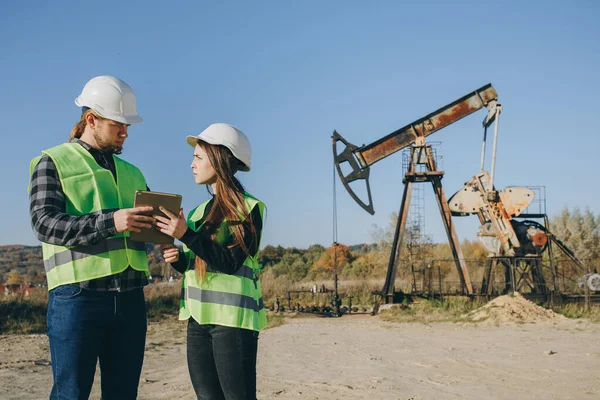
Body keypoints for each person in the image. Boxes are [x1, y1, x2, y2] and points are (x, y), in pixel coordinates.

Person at [28, 76, 155, 399]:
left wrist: (162, 229)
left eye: (128, 126)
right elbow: (45, 224)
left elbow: (140, 234)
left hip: (130, 299)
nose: (126, 133)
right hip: (78, 298)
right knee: (71, 394)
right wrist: (112, 221)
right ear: (91, 120)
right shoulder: (53, 162)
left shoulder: (134, 173)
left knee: (123, 394)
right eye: (118, 126)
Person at [155, 123, 266, 400]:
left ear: (220, 159)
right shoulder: (196, 213)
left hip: (233, 322)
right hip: (197, 319)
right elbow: (201, 262)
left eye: (198, 157)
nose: (191, 164)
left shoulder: (248, 209)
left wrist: (186, 235)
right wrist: (179, 259)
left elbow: (229, 263)